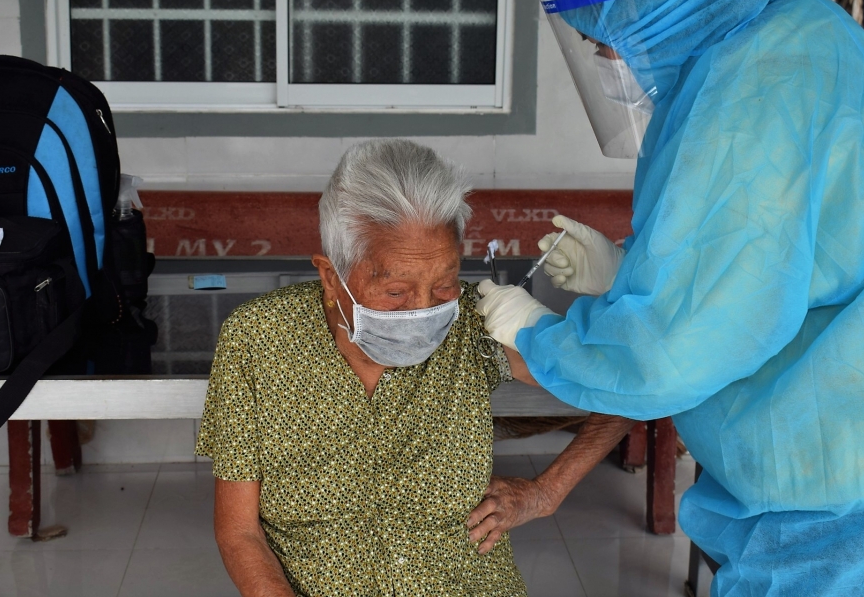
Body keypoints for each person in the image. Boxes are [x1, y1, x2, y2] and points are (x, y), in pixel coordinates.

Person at [475, 0, 864, 595]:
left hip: (853, 494)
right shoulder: (800, 32)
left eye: (600, 39)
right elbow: (787, 256)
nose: (602, 60)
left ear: (639, 5)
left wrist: (536, 337)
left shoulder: (742, 99)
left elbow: (669, 351)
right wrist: (630, 273)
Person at [195, 138, 629, 597]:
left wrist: (546, 493)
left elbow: (630, 384)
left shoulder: (477, 323)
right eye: (396, 292)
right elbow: (239, 531)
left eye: (443, 284)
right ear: (330, 277)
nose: (423, 309)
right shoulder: (259, 337)